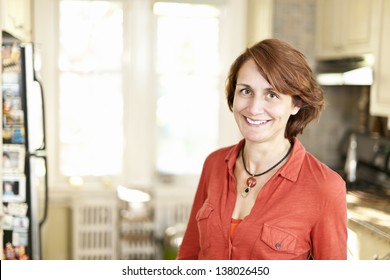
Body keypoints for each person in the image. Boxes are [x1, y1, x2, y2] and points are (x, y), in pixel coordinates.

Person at [177, 38, 347, 260]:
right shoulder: (214, 164)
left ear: (296, 103)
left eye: (272, 94)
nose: (254, 108)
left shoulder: (325, 188)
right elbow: (189, 256)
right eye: (246, 91)